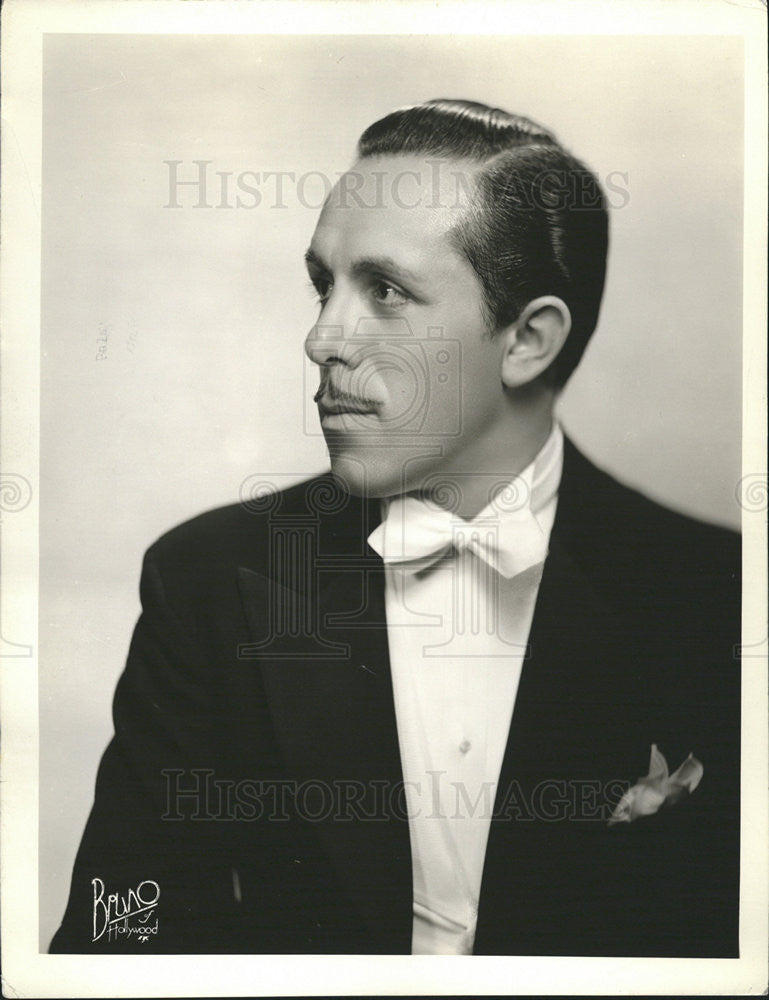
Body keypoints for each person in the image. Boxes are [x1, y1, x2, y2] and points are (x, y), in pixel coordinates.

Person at [50, 99, 740, 957]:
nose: (320, 338)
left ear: (527, 341)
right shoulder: (208, 579)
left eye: (385, 291)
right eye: (322, 285)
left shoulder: (721, 596)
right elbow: (119, 925)